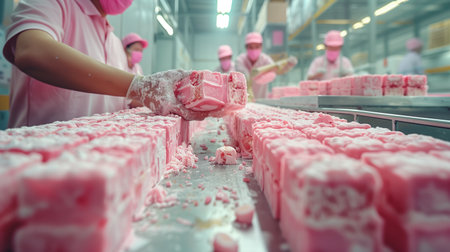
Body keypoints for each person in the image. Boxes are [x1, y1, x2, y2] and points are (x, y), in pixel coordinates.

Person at [2, 0, 206, 128]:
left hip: (96, 163)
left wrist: (167, 98)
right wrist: (138, 86)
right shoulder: (54, 4)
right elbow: (32, 51)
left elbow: (121, 100)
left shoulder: (115, 43)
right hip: (37, 166)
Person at [236, 32, 297, 100]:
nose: (254, 50)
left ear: (261, 47)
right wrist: (250, 77)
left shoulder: (265, 59)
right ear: (246, 47)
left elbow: (277, 69)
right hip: (244, 100)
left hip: (262, 99)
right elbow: (243, 75)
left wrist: (288, 65)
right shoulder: (240, 60)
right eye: (251, 47)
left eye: (257, 47)